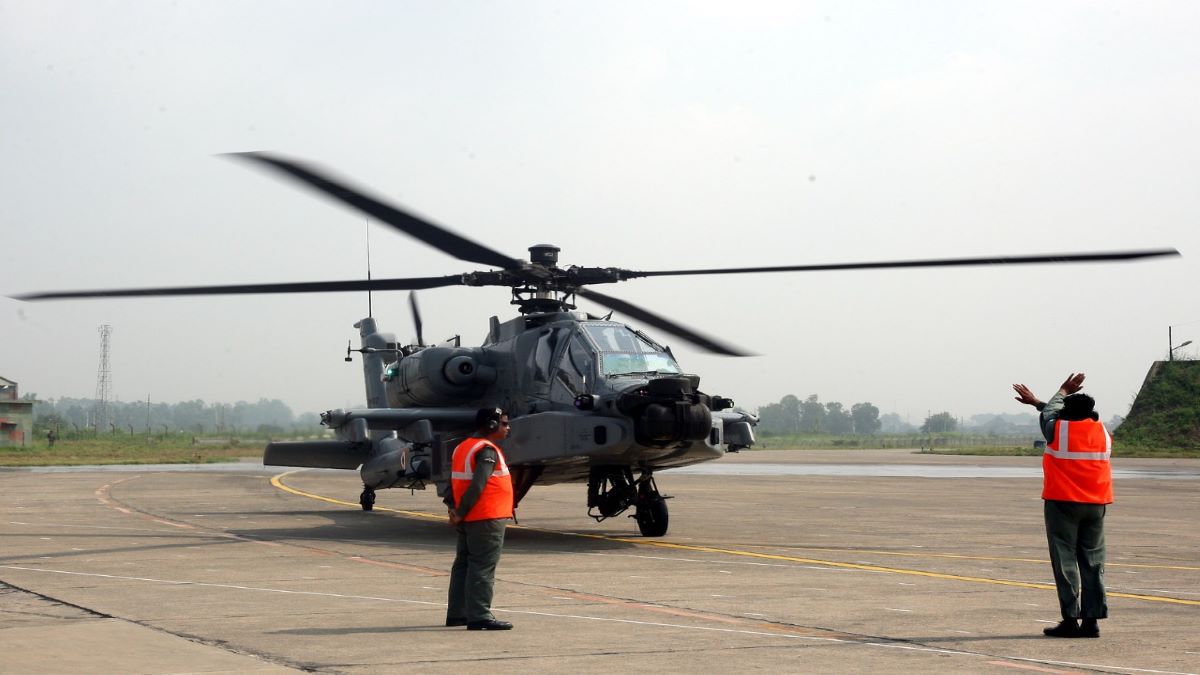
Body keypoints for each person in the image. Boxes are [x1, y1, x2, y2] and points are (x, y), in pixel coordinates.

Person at [1013, 373, 1112, 639]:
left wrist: (1062, 391)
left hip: (1063, 503)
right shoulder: (1102, 432)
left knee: (1065, 559)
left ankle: (1070, 619)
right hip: (1096, 503)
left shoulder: (1057, 430)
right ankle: (1091, 622)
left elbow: (1051, 413)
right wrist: (1038, 402)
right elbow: (1052, 412)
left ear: (1065, 414)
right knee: (1093, 561)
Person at [443, 407, 514, 631]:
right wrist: (461, 511)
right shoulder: (486, 450)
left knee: (463, 565)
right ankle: (480, 616)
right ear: (492, 425)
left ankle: (458, 614)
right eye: (504, 423)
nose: (508, 428)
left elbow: (452, 483)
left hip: (469, 518)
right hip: (487, 517)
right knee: (482, 567)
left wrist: (454, 509)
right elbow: (478, 485)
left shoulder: (463, 447)